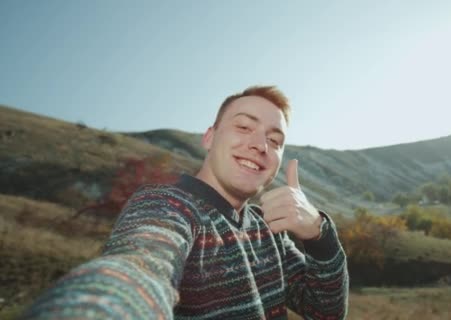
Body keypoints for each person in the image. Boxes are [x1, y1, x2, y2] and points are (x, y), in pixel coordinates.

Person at [22, 85, 349, 319]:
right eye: (244, 126)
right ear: (209, 137)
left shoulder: (270, 228)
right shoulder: (166, 205)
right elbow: (141, 266)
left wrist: (319, 235)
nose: (259, 144)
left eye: (274, 140)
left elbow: (326, 310)